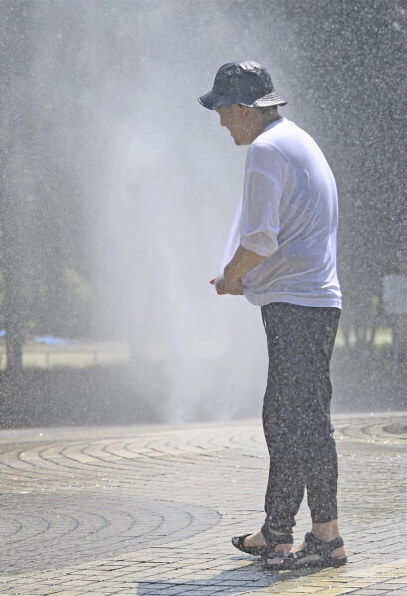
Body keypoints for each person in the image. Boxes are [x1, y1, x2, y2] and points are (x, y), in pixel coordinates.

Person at [199, 61, 347, 570]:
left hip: (296, 305)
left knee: (298, 423)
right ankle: (278, 530)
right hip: (317, 302)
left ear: (242, 108)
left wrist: (233, 277)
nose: (220, 122)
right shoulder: (298, 140)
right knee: (294, 419)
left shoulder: (264, 150)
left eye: (221, 110)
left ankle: (320, 538)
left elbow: (260, 239)